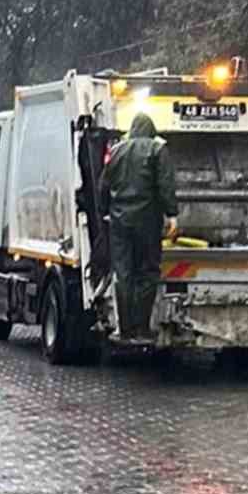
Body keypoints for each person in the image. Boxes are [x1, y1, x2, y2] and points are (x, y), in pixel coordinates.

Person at [100, 113, 178, 340]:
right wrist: (172, 215)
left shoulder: (116, 151)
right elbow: (165, 184)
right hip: (147, 221)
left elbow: (103, 185)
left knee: (123, 273)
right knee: (148, 272)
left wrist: (106, 211)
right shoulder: (157, 150)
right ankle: (141, 327)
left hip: (119, 222)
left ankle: (125, 329)